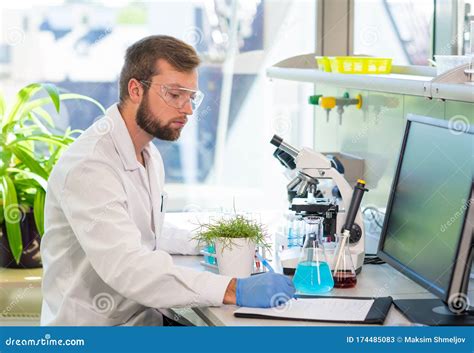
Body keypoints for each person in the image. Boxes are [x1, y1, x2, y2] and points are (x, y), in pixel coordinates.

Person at [40, 35, 295, 326]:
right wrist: (233, 288)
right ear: (135, 89)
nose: (187, 110)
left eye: (191, 98)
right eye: (175, 95)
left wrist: (216, 240)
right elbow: (129, 268)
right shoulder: (90, 166)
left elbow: (149, 231)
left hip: (141, 321)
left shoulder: (148, 153)